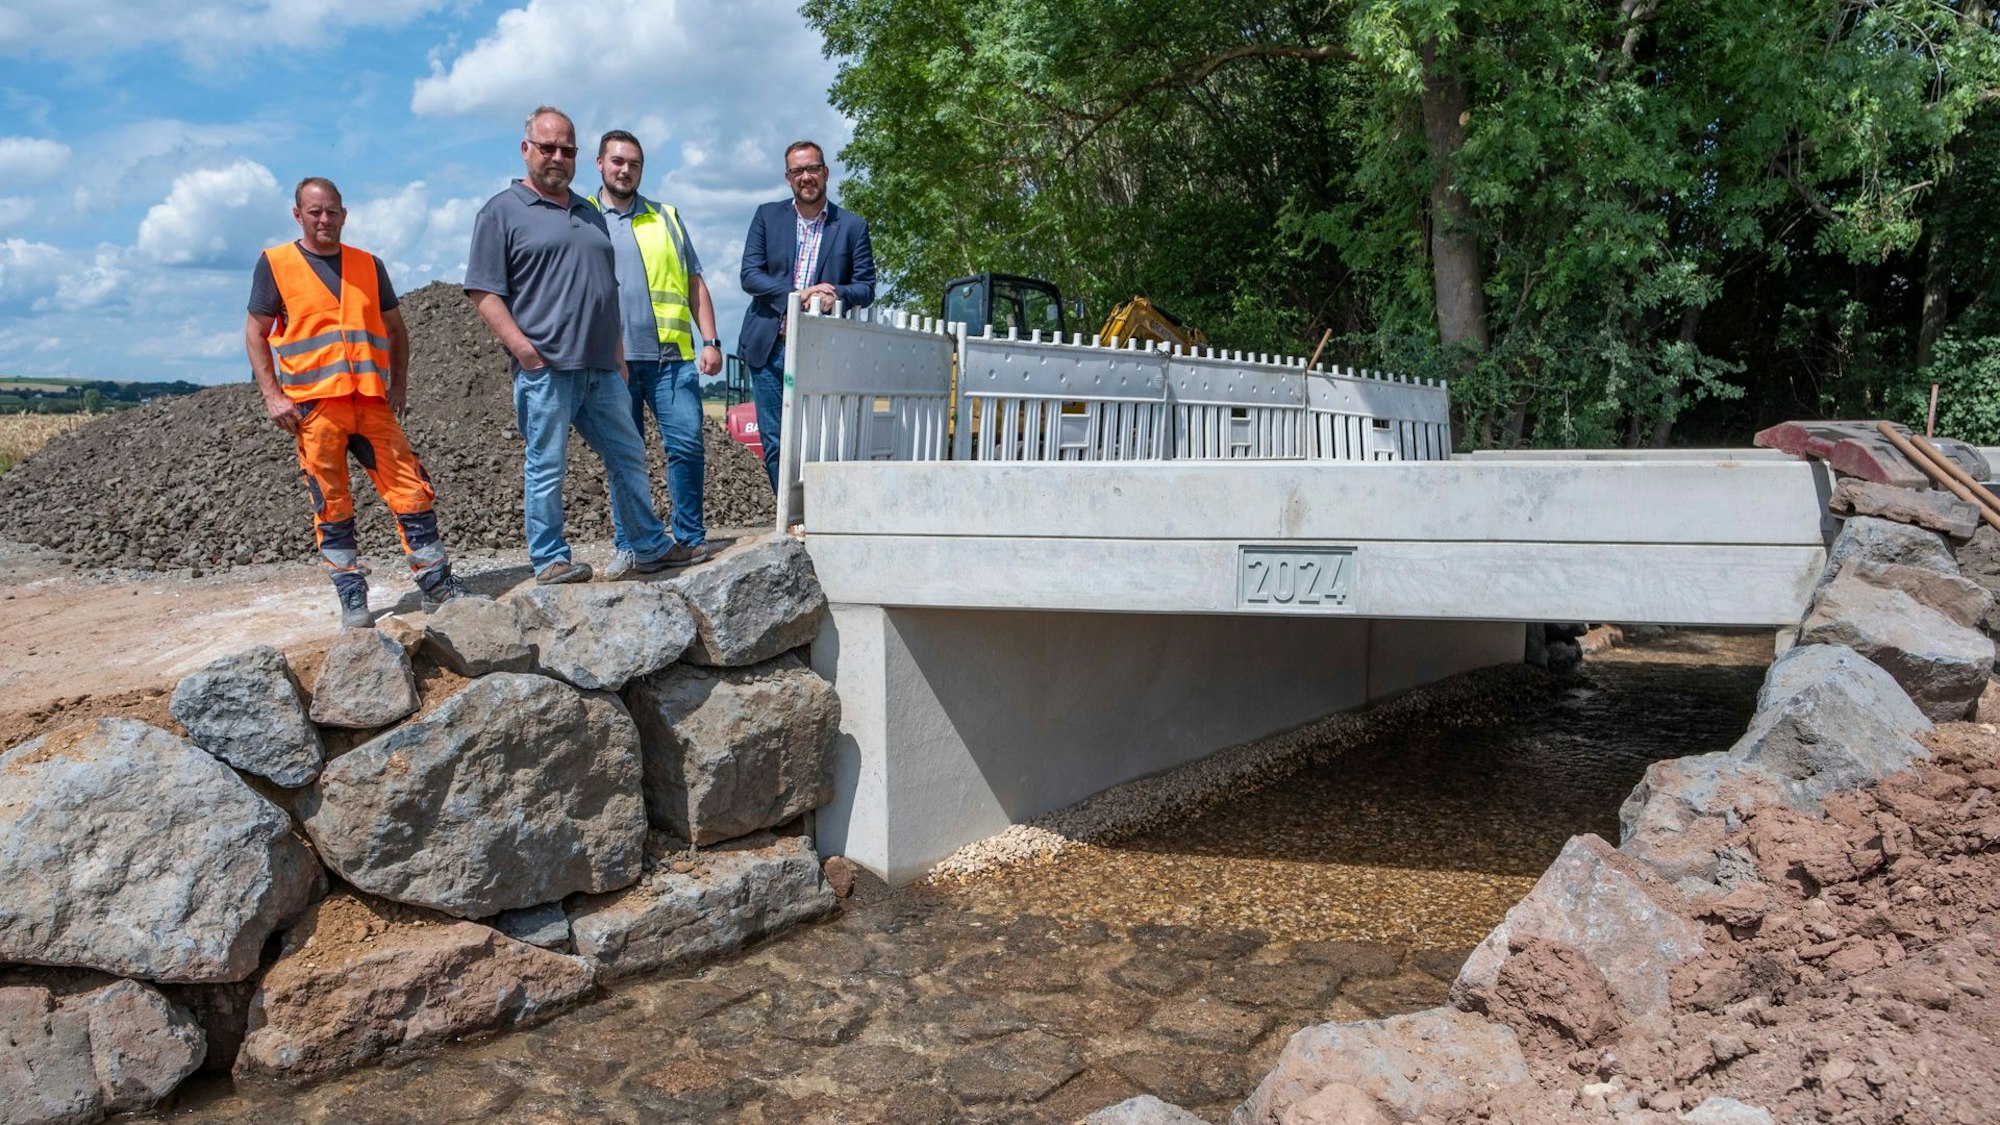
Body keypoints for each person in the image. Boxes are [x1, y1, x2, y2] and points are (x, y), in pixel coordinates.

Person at [464, 105, 678, 584]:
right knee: (547, 465)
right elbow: (483, 290)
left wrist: (618, 355)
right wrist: (524, 351)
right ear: (526, 149)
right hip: (546, 368)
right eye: (548, 148)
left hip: (602, 367)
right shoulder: (501, 212)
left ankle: (648, 545)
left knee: (627, 456)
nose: (557, 157)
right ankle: (549, 559)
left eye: (567, 150)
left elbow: (607, 288)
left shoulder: (589, 212)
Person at [245, 176, 467, 629]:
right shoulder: (276, 264)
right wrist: (272, 395)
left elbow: (396, 329)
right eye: (315, 212)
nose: (324, 219)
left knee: (411, 490)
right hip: (314, 409)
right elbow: (256, 332)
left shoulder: (368, 265)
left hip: (370, 401)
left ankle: (435, 583)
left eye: (332, 211)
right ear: (298, 215)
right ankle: (351, 596)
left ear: (344, 214)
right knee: (331, 502)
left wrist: (399, 384)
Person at [588, 129, 719, 573]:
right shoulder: (581, 216)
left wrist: (711, 341)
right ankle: (631, 545)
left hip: (671, 359)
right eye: (617, 161)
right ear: (600, 164)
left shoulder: (667, 217)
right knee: (624, 457)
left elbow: (694, 282)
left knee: (686, 446)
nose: (625, 170)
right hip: (611, 363)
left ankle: (689, 539)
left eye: (634, 163)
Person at [736, 139, 876, 492]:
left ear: (825, 172)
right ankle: (789, 514)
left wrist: (834, 294)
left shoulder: (852, 226)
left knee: (820, 437)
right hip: (769, 348)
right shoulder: (767, 216)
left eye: (812, 168)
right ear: (788, 178)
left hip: (822, 351)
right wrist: (799, 295)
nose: (806, 177)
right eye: (798, 171)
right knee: (775, 439)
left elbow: (866, 287)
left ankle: (819, 509)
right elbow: (750, 275)